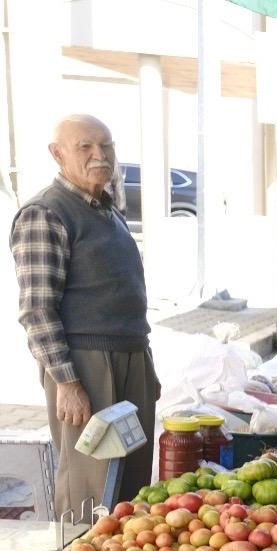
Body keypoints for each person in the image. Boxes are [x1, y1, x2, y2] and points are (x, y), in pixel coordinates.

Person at [11, 114, 157, 522]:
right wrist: (68, 382)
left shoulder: (107, 209)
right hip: (87, 366)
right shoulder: (46, 213)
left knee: (133, 490)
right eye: (85, 147)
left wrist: (147, 368)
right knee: (90, 490)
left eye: (105, 145)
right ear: (57, 155)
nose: (99, 155)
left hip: (131, 357)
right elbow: (38, 310)